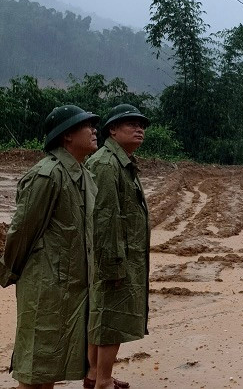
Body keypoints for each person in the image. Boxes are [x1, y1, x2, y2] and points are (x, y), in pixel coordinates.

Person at [0, 105, 99, 389]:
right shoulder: (47, 174)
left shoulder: (84, 176)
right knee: (35, 371)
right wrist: (9, 271)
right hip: (46, 287)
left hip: (73, 289)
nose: (94, 131)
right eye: (87, 126)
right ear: (67, 136)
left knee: (51, 369)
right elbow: (22, 231)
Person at [84, 104, 151, 389]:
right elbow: (104, 217)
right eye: (131, 124)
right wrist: (113, 262)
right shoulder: (106, 164)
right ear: (112, 130)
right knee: (111, 318)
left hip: (123, 254)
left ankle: (96, 375)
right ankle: (102, 381)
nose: (139, 129)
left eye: (142, 126)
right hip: (114, 256)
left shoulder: (120, 160)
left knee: (106, 315)